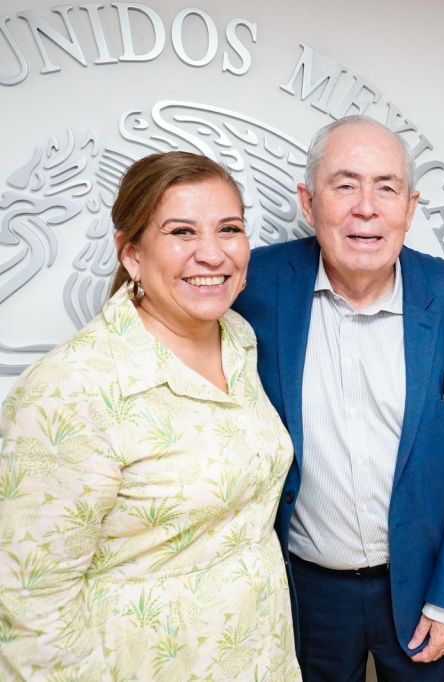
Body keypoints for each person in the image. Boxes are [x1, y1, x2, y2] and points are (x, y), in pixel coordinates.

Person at [0, 151, 300, 680]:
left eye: (229, 228)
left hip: (259, 657)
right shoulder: (71, 389)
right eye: (182, 232)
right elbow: (29, 604)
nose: (212, 253)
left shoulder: (239, 339)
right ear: (132, 253)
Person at [232, 115, 444, 682]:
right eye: (345, 184)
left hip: (422, 590)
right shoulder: (254, 288)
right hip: (301, 589)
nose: (367, 208)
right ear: (309, 201)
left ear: (410, 206)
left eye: (386, 188)